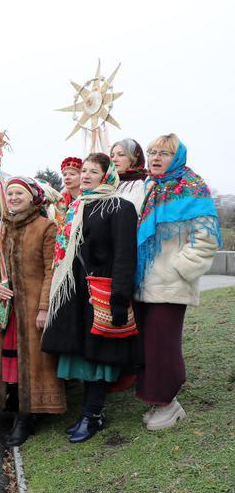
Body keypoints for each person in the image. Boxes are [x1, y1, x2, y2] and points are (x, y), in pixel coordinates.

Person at [43, 154, 142, 442]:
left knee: (100, 356)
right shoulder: (78, 206)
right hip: (76, 292)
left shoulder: (119, 207)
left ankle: (93, 415)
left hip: (102, 290)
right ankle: (88, 412)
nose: (85, 175)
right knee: (84, 355)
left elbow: (125, 255)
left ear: (106, 175)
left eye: (93, 171)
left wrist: (120, 298)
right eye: (83, 170)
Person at [133, 135, 220, 431]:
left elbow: (206, 240)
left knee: (162, 346)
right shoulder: (150, 189)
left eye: (164, 153)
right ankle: (156, 401)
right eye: (152, 152)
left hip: (170, 285)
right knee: (147, 345)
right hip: (143, 283)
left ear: (178, 157)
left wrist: (179, 270)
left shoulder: (193, 188)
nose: (156, 158)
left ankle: (169, 404)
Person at [0, 177, 65, 447]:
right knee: (10, 363)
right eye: (10, 193)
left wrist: (43, 308)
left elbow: (51, 271)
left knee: (30, 362)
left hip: (31, 309)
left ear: (32, 196)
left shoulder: (46, 227)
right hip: (7, 309)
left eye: (19, 192)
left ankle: (27, 417)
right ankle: (15, 409)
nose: (14, 197)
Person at [110, 138, 150, 211]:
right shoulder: (108, 182)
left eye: (121, 155)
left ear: (134, 159)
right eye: (112, 156)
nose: (114, 159)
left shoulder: (144, 183)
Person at [53, 157, 83, 229]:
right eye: (64, 175)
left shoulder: (89, 197)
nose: (67, 177)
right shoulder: (61, 200)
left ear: (82, 176)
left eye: (72, 174)